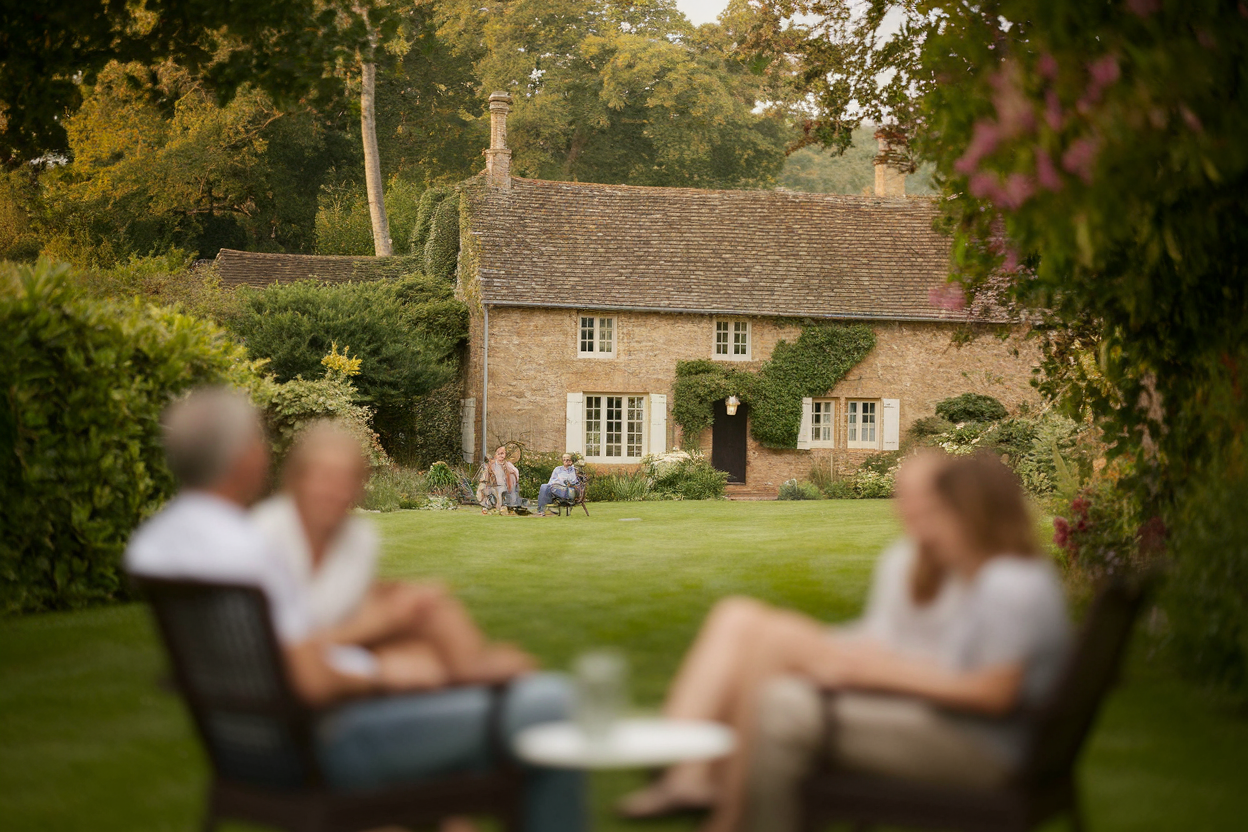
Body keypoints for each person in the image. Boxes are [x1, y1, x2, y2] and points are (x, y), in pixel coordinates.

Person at [125, 388, 586, 832]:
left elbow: (284, 654)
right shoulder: (250, 550)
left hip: (249, 747)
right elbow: (310, 678)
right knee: (548, 706)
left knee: (519, 728)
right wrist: (389, 677)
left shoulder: (154, 546)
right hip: (325, 744)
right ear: (246, 456)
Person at [620, 452, 1070, 832]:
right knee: (749, 631)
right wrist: (865, 665)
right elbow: (928, 654)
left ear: (972, 516)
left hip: (982, 748)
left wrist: (878, 673)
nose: (928, 526)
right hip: (964, 727)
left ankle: (728, 810)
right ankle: (701, 783)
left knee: (782, 700)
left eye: (939, 512)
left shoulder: (1007, 584)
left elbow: (994, 693)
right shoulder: (993, 576)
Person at [253, 420, 535, 686]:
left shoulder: (356, 537)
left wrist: (400, 602)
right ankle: (476, 679)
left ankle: (473, 670)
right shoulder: (267, 536)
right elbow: (288, 649)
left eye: (346, 480)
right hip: (304, 681)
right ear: (296, 480)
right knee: (427, 661)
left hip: (339, 658)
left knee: (430, 614)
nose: (334, 491)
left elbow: (341, 605)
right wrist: (388, 630)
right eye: (324, 477)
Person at [477, 445, 520, 514]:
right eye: (498, 454)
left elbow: (516, 474)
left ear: (505, 454)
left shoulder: (508, 465)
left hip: (505, 487)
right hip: (493, 486)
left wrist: (512, 476)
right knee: (485, 490)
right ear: (495, 455)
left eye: (502, 453)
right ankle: (489, 506)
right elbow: (485, 477)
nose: (500, 456)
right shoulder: (491, 465)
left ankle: (505, 506)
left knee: (503, 493)